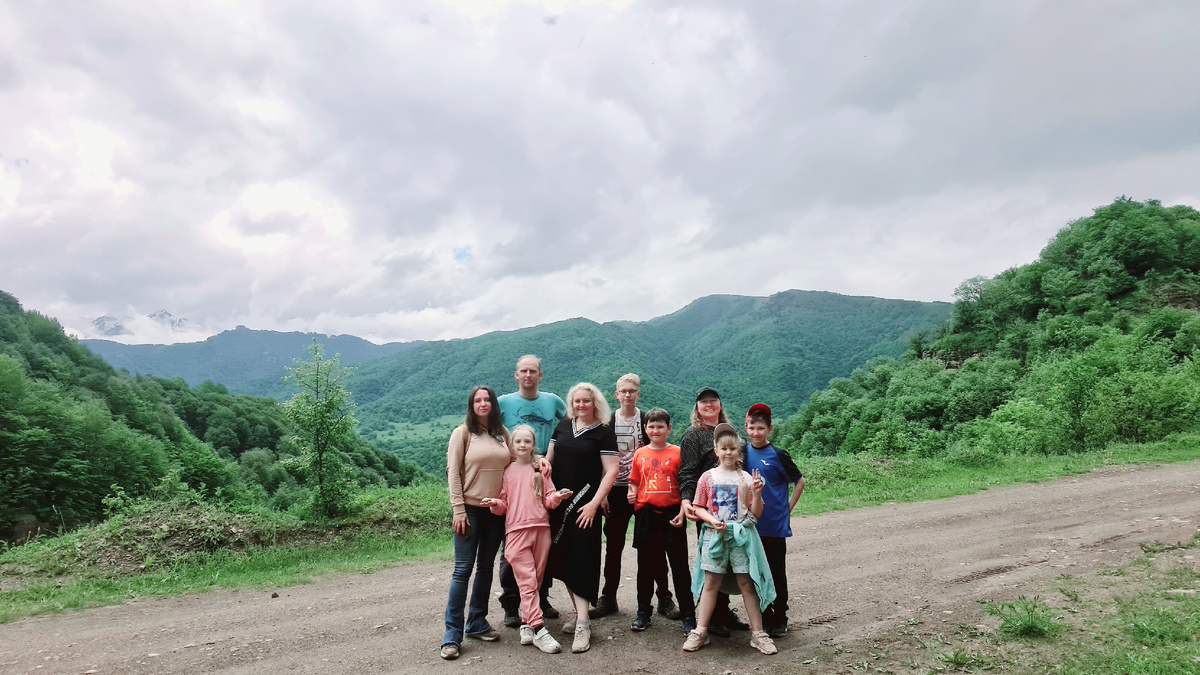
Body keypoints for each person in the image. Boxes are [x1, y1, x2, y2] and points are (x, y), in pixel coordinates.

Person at [683, 423, 777, 655]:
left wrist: (757, 494)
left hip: (740, 538)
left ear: (738, 452)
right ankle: (700, 631)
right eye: (723, 448)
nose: (728, 452)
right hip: (714, 537)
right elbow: (698, 507)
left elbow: (755, 514)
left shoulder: (746, 478)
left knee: (747, 583)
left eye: (732, 449)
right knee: (711, 584)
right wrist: (711, 521)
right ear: (716, 451)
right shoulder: (707, 477)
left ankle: (758, 633)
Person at [593, 374, 677, 620]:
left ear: (638, 394)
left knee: (654, 545)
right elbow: (600, 457)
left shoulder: (645, 420)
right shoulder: (607, 422)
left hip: (645, 489)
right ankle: (608, 597)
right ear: (616, 394)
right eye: (623, 391)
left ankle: (664, 597)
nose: (627, 395)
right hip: (616, 490)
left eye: (632, 391)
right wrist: (603, 491)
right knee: (614, 546)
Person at [482, 425, 572, 654]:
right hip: (516, 532)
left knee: (537, 580)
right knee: (528, 580)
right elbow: (503, 504)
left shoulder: (540, 470)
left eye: (527, 442)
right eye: (518, 441)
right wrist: (494, 504)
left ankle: (526, 624)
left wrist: (558, 497)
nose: (522, 445)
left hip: (541, 529)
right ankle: (539, 629)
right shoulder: (507, 471)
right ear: (512, 445)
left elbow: (548, 499)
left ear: (533, 445)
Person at [545, 382, 620, 653]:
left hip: (584, 507)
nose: (581, 405)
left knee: (583, 558)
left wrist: (594, 504)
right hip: (557, 504)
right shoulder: (563, 426)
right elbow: (549, 460)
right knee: (563, 560)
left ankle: (584, 624)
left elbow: (611, 471)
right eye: (576, 401)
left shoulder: (603, 432)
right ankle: (579, 615)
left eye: (586, 401)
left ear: (595, 403)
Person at [497, 355, 569, 626]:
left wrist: (554, 453)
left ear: (541, 375)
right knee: (512, 547)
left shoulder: (553, 401)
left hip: (543, 472)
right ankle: (511, 602)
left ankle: (541, 596)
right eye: (523, 371)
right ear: (516, 375)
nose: (528, 375)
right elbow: (490, 430)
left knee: (543, 541)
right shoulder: (503, 403)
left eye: (533, 371)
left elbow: (569, 425)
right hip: (513, 472)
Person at [441, 386, 511, 660]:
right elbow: (453, 473)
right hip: (469, 510)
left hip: (495, 511)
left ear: (493, 404)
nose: (483, 404)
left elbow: (516, 461)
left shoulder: (501, 433)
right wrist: (458, 509)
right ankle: (451, 636)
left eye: (487, 400)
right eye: (477, 400)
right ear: (472, 406)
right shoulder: (462, 433)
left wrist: (541, 462)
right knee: (462, 570)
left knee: (485, 568)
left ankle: (477, 622)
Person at [677, 387, 748, 637]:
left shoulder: (730, 432)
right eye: (703, 402)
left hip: (736, 511)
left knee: (731, 561)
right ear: (697, 407)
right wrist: (686, 501)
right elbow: (687, 471)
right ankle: (714, 616)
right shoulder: (693, 435)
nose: (708, 405)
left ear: (719, 404)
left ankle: (725, 611)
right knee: (713, 560)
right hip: (708, 509)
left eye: (713, 401)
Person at [626, 407, 697, 634]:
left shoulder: (677, 452)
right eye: (651, 426)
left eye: (660, 426)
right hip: (647, 514)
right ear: (645, 429)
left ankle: (688, 615)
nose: (655, 430)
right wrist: (631, 491)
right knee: (645, 567)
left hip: (673, 514)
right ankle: (643, 613)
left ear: (668, 428)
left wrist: (684, 510)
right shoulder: (640, 453)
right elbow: (635, 480)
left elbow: (686, 482)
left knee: (679, 567)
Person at [743, 403, 805, 638]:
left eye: (760, 428)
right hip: (751, 525)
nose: (756, 433)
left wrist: (787, 509)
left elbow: (799, 481)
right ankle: (765, 615)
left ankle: (780, 616)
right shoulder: (743, 454)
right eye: (752, 428)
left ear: (769, 429)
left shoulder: (778, 455)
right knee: (755, 571)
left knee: (776, 571)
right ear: (746, 428)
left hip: (775, 526)